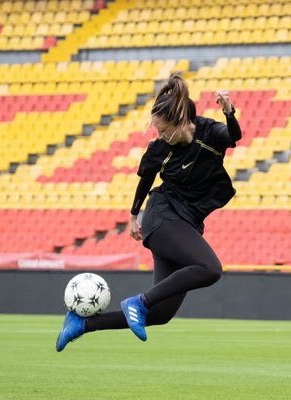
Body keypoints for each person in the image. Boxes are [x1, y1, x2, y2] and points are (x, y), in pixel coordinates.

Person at [56, 72, 242, 351]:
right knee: (210, 269)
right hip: (163, 216)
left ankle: (82, 324)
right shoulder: (159, 149)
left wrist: (229, 112)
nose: (161, 135)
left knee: (160, 314)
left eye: (164, 130)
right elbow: (146, 180)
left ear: (181, 122)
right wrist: (133, 215)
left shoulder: (208, 133)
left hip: (185, 222)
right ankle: (138, 302)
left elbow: (233, 136)